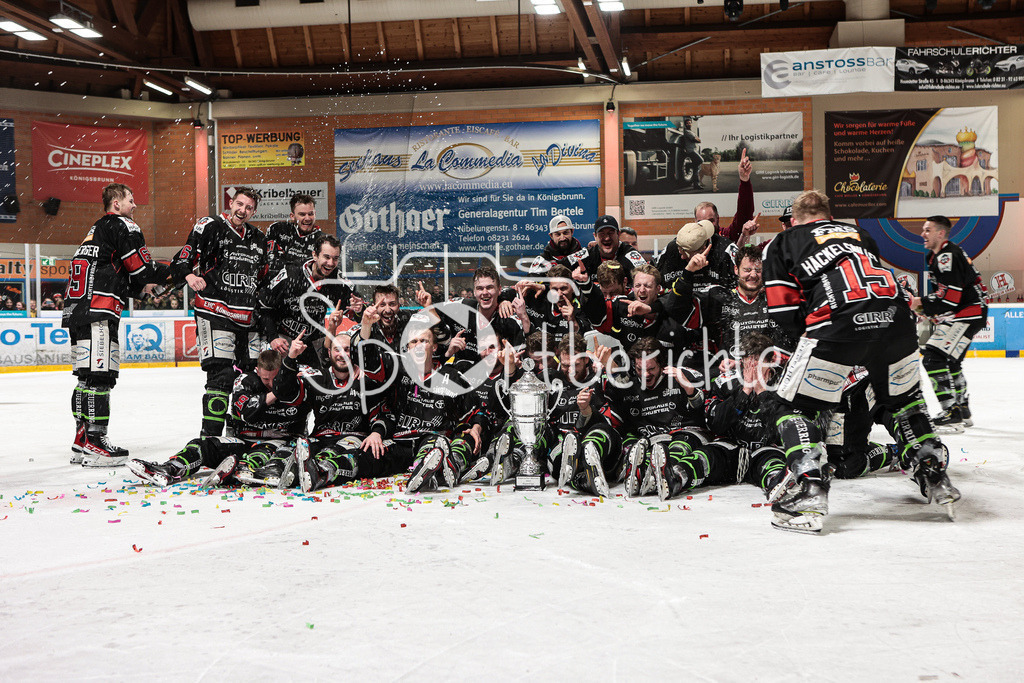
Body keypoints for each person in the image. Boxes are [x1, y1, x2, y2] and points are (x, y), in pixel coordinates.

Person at [762, 190, 960, 534]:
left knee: (790, 408)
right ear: (828, 214)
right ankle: (934, 473)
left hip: (839, 322)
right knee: (904, 403)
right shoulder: (860, 235)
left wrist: (818, 340)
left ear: (794, 220)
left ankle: (810, 488)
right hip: (897, 321)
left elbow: (783, 311)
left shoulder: (784, 241)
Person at [63, 183, 170, 467]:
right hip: (100, 311)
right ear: (117, 204)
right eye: (131, 200)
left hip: (77, 312)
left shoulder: (94, 232)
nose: (135, 206)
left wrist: (142, 289)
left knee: (85, 377)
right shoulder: (124, 225)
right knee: (100, 378)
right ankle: (96, 443)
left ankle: (82, 439)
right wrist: (175, 271)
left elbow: (115, 273)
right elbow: (141, 268)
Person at [126, 349, 310, 487]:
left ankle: (240, 470)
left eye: (275, 379)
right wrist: (277, 392)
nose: (270, 384)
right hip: (244, 439)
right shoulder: (245, 381)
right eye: (265, 379)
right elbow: (248, 413)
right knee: (202, 444)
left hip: (281, 442)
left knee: (262, 452)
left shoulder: (298, 381)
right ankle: (170, 468)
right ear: (257, 371)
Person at [169, 187, 269, 437]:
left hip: (247, 320)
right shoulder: (211, 224)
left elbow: (264, 278)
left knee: (250, 379)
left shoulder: (258, 237)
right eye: (239, 204)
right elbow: (182, 258)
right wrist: (190, 275)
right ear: (231, 203)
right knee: (221, 377)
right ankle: (211, 438)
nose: (242, 210)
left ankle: (239, 434)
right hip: (214, 313)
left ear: (254, 211)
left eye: (248, 207)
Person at [911, 215, 988, 431]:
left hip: (967, 314)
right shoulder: (940, 255)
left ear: (940, 233)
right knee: (951, 362)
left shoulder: (947, 256)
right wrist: (930, 309)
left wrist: (921, 304)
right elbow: (951, 296)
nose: (922, 234)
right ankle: (962, 410)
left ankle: (951, 411)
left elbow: (950, 297)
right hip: (972, 313)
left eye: (927, 230)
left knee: (932, 358)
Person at [258, 234, 350, 367]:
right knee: (272, 376)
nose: (330, 263)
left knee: (321, 377)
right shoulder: (289, 274)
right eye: (326, 257)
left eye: (335, 259)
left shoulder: (339, 281)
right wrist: (272, 337)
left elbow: (356, 307)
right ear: (315, 255)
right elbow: (263, 306)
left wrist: (358, 309)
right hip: (281, 338)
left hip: (311, 341)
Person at [568, 215, 647, 275]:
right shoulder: (586, 254)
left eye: (611, 233)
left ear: (618, 234)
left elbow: (648, 275)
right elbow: (558, 265)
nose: (606, 238)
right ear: (595, 236)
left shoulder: (630, 254)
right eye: (602, 234)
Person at [266, 193, 323, 272]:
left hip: (305, 283)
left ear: (315, 214)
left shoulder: (322, 240)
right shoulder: (278, 229)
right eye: (302, 214)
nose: (307, 218)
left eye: (310, 214)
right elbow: (268, 261)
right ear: (292, 216)